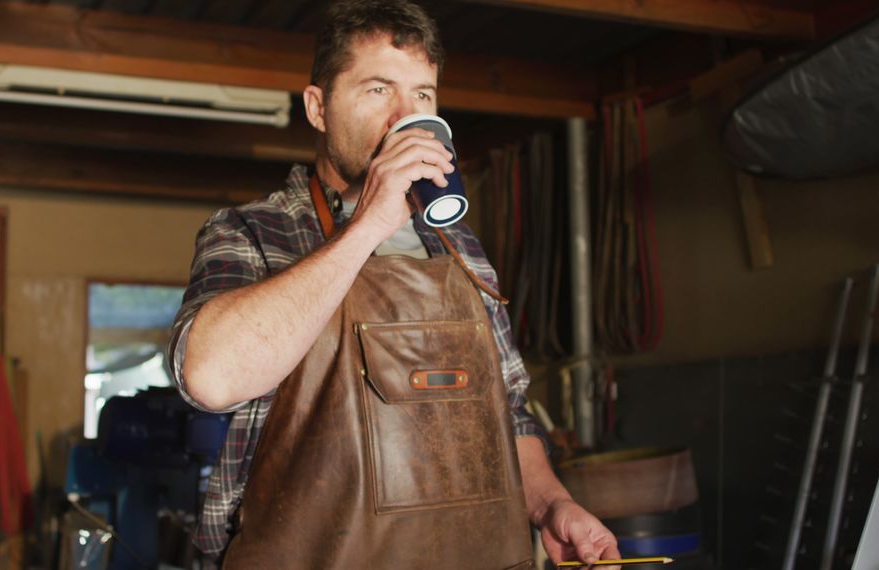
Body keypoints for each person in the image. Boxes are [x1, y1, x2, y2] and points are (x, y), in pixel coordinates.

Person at [167, 0, 620, 567]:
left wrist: (553, 505)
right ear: (319, 107)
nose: (406, 116)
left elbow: (509, 410)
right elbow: (210, 378)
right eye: (379, 89)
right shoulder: (251, 233)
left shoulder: (460, 246)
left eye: (423, 96)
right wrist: (371, 223)